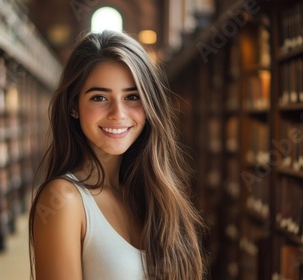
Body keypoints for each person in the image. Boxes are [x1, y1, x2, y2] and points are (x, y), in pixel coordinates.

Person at [29, 30, 205, 280]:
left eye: (132, 96)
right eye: (99, 97)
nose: (118, 113)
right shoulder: (63, 200)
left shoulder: (153, 192)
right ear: (73, 106)